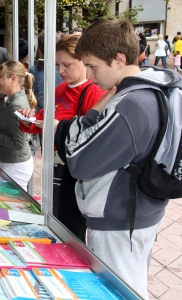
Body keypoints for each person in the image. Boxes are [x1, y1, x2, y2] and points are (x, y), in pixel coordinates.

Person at [54, 18, 176, 299]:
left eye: (94, 66)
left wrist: (75, 126)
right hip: (139, 210)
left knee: (119, 291)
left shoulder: (130, 104)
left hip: (120, 219)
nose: (91, 75)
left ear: (119, 59)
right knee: (131, 284)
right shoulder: (151, 87)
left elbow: (79, 160)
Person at [19, 34, 106, 242]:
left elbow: (91, 138)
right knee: (52, 219)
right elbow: (42, 120)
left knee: (69, 229)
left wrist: (60, 128)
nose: (60, 71)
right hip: (52, 169)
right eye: (57, 64)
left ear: (83, 61)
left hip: (72, 174)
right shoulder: (60, 89)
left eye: (66, 64)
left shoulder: (93, 93)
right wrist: (27, 117)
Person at [0, 61, 35, 191]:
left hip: (15, 165)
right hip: (11, 163)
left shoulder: (16, 105)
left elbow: (18, 143)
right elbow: (11, 129)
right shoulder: (13, 100)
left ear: (13, 78)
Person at [28, 31, 63, 111]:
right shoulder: (68, 68)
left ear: (39, 51)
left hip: (43, 114)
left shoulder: (33, 71)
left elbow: (32, 94)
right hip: (64, 113)